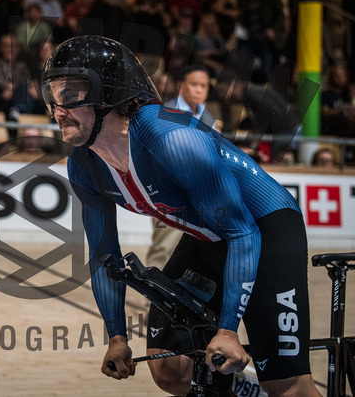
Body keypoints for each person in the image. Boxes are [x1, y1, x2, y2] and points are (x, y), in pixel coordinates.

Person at [40, 35, 320, 396]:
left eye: (68, 95)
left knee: (288, 387)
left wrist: (228, 330)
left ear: (109, 94)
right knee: (170, 370)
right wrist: (116, 336)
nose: (57, 110)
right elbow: (103, 255)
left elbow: (243, 232)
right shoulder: (83, 164)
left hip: (264, 231)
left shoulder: (171, 139)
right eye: (52, 97)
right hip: (209, 238)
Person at [164, 63, 216, 129]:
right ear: (181, 87)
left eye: (203, 86)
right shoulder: (168, 111)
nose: (199, 90)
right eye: (194, 84)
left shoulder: (208, 116)